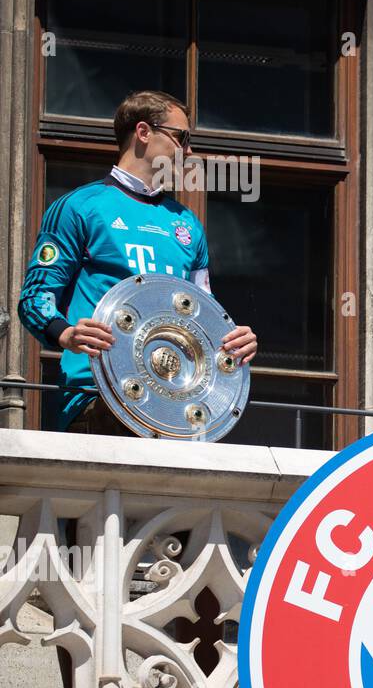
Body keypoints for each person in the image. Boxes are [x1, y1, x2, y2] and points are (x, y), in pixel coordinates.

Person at [18, 90, 257, 435]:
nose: (189, 151)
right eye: (181, 137)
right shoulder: (80, 207)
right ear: (144, 132)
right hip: (100, 395)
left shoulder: (187, 224)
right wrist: (66, 333)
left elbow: (206, 315)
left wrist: (234, 340)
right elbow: (35, 297)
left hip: (176, 404)